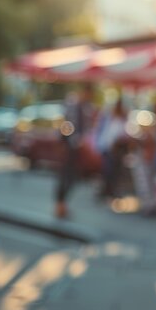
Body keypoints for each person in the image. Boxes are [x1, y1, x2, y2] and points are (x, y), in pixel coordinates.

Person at [55, 83, 98, 218]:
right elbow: (65, 124)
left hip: (78, 147)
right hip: (69, 146)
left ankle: (63, 205)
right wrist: (68, 140)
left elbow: (87, 127)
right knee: (65, 176)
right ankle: (60, 205)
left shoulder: (86, 108)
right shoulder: (72, 104)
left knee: (72, 177)